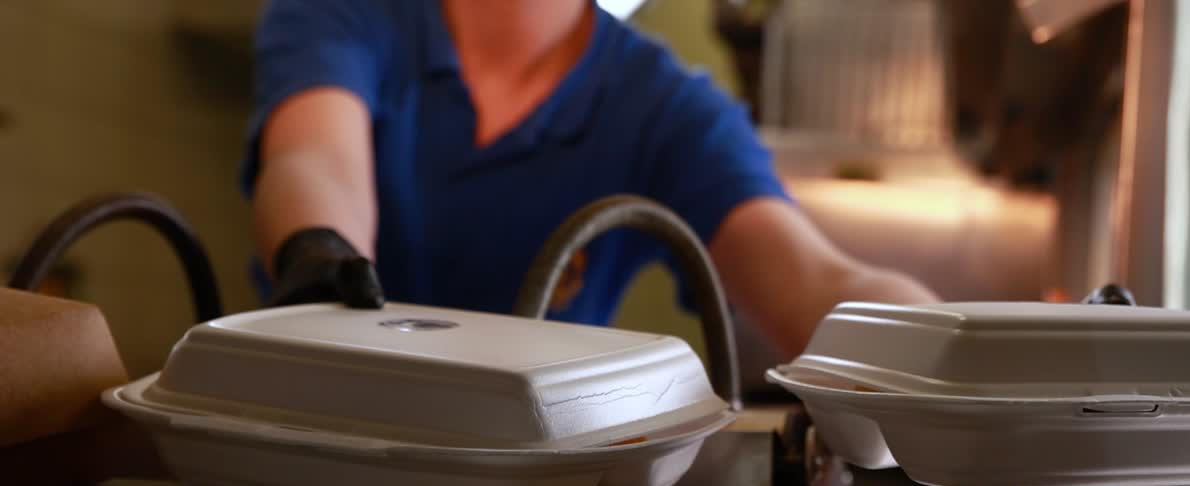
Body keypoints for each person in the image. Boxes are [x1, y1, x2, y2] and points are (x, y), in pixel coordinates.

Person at [244, 0, 936, 357]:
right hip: (317, 466)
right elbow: (315, 159)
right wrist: (321, 253)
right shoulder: (347, 14)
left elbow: (816, 281)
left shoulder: (666, 108)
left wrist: (960, 355)